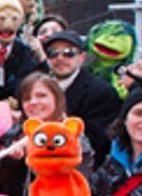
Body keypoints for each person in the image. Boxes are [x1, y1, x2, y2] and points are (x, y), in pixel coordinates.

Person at [44, 29, 120, 164]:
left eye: (69, 53)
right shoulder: (40, 88)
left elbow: (98, 142)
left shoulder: (102, 92)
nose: (60, 58)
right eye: (53, 53)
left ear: (82, 58)